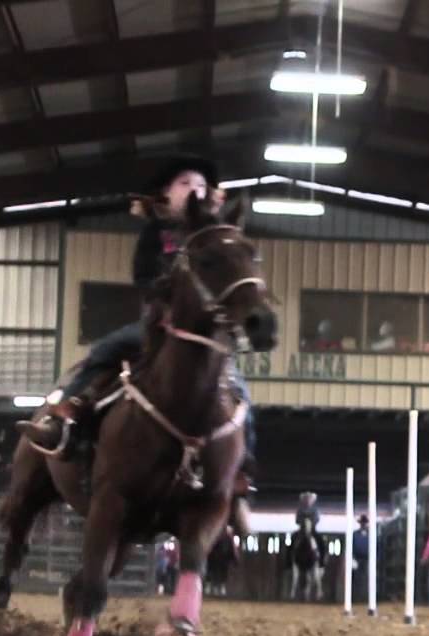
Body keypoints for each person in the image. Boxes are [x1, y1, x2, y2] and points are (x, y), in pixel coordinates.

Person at [18, 155, 253, 464]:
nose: (193, 189)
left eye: (200, 184)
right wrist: (164, 297)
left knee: (240, 392)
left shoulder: (215, 235)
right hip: (159, 321)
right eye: (184, 183)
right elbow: (142, 275)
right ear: (166, 192)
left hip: (203, 330)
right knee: (104, 350)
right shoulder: (156, 232)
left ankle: (243, 463)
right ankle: (63, 414)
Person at [351, 514, 370, 603]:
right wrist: (353, 558)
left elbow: (377, 547)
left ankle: (365, 597)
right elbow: (352, 547)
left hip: (368, 559)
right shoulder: (355, 534)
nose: (363, 524)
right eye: (362, 523)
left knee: (366, 578)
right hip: (358, 558)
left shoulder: (371, 534)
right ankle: (357, 597)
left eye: (364, 523)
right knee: (357, 579)